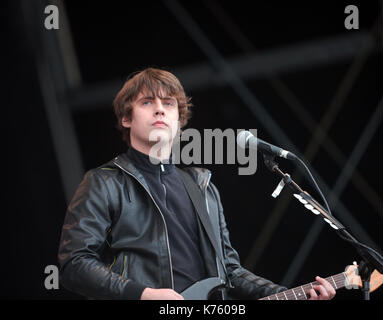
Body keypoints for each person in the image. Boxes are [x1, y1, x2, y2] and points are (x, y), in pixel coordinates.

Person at [58, 67, 336, 300]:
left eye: (168, 104)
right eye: (147, 102)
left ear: (179, 121)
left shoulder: (202, 187)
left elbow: (230, 272)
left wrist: (292, 294)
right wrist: (142, 294)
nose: (159, 110)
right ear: (126, 118)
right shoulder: (104, 182)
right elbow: (74, 264)